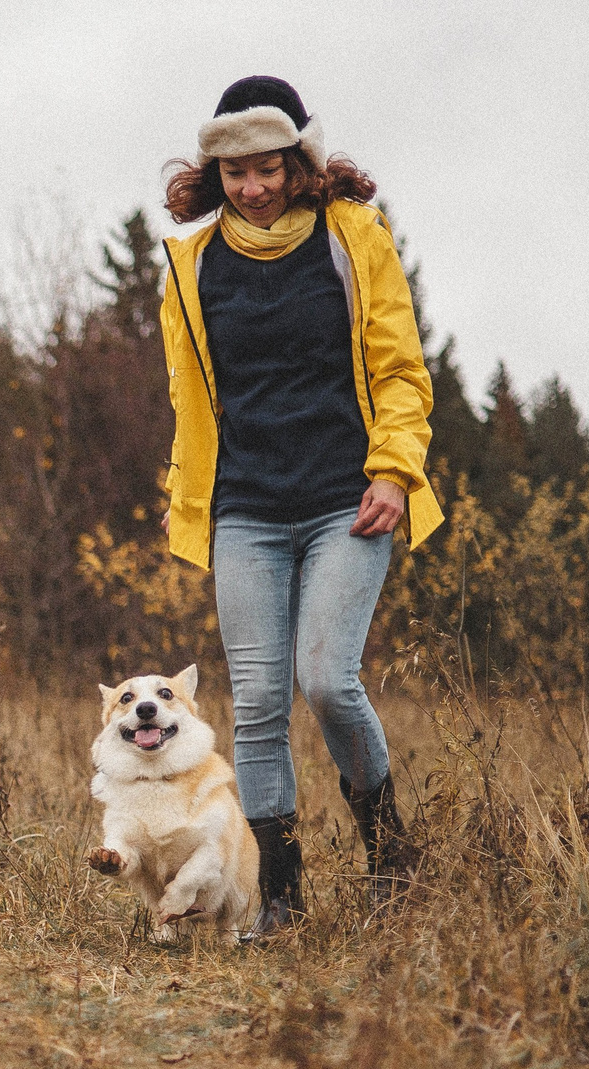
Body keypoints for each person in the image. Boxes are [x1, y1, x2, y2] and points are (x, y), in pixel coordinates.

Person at [154, 74, 441, 938]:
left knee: (325, 677)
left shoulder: (354, 240)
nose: (254, 187)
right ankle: (280, 894)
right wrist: (187, 492)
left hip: (346, 501)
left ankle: (390, 853)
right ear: (217, 177)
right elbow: (189, 397)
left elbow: (400, 370)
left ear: (299, 162)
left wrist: (394, 470)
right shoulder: (192, 265)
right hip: (244, 507)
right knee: (260, 702)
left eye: (270, 167)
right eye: (236, 173)